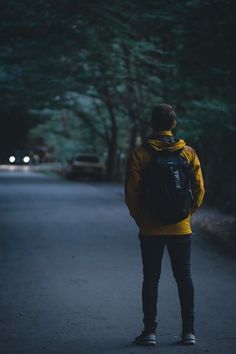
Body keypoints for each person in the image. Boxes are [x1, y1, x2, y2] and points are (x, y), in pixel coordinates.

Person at [125, 104, 205, 346]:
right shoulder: (188, 153)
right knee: (184, 277)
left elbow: (131, 193)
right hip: (181, 227)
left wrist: (141, 217)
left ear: (152, 124)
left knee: (151, 278)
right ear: (173, 124)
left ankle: (149, 332)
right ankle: (188, 332)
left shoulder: (140, 153)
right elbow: (199, 189)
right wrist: (187, 214)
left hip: (150, 227)